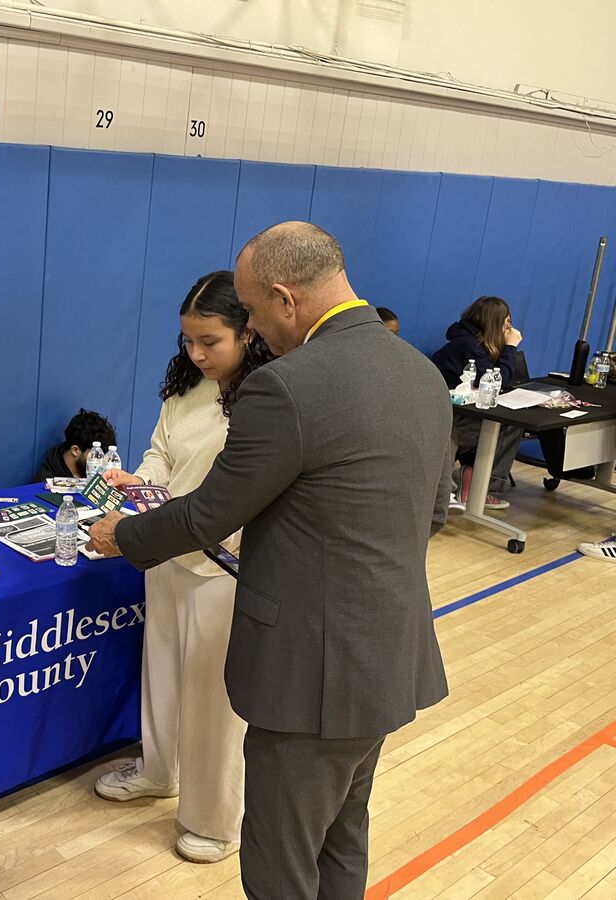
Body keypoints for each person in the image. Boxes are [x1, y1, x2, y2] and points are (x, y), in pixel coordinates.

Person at [87, 223, 452, 899]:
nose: (253, 328)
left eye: (251, 312)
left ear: (286, 299)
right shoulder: (421, 373)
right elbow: (431, 513)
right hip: (387, 659)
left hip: (310, 676)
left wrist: (121, 536)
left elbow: (209, 514)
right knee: (341, 842)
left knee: (280, 866)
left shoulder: (286, 386)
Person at [93, 271, 271, 863]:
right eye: (187, 341)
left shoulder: (267, 396)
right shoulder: (188, 386)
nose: (196, 353)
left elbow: (245, 494)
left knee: (214, 702)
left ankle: (214, 819)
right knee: (162, 674)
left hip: (225, 568)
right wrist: (139, 482)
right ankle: (158, 769)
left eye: (210, 341)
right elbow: (162, 451)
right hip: (165, 549)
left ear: (248, 333)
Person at [430, 296, 524, 510]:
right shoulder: (467, 346)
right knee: (505, 424)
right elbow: (497, 381)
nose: (510, 327)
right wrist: (510, 348)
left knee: (514, 423)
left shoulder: (479, 344)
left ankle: (478, 483)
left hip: (466, 414)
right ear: (493, 322)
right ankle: (479, 488)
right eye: (506, 322)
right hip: (448, 418)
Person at [34, 409, 117, 481]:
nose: (102, 461)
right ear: (75, 450)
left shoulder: (99, 474)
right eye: (96, 455)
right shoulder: (45, 484)